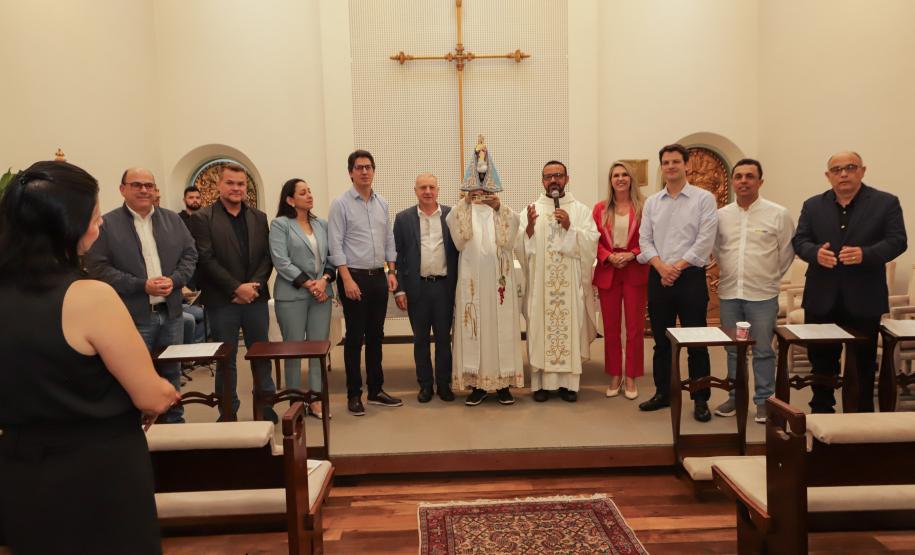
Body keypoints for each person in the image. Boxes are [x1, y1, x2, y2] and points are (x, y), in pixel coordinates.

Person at [0, 161, 179, 554]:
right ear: (70, 226)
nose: (98, 228)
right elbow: (150, 396)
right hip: (97, 472)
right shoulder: (89, 296)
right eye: (95, 219)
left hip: (22, 471)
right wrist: (163, 393)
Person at [792, 151, 907, 413]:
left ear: (862, 171)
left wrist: (866, 254)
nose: (843, 174)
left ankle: (859, 420)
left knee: (863, 365)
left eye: (850, 167)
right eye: (836, 169)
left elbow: (897, 240)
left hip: (864, 298)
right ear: (828, 175)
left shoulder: (885, 203)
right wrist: (815, 253)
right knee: (821, 362)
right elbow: (800, 241)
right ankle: (822, 413)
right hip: (821, 297)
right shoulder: (812, 205)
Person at [85, 167, 197, 424]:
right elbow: (98, 267)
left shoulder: (173, 220)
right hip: (132, 317)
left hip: (171, 315)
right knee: (134, 377)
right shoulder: (108, 224)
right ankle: (136, 432)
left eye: (149, 185)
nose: (144, 190)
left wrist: (176, 279)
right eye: (136, 185)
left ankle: (175, 428)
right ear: (122, 189)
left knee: (171, 374)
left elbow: (190, 254)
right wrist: (140, 285)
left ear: (156, 190)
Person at [188, 163, 277, 422]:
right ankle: (228, 409)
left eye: (241, 184)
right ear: (219, 185)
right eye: (231, 183)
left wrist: (254, 286)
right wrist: (236, 288)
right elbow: (205, 258)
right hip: (221, 299)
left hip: (255, 298)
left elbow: (266, 257)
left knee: (261, 353)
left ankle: (265, 404)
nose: (236, 188)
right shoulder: (203, 218)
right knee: (226, 357)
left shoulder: (259, 217)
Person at [638, 144, 718, 422]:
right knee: (661, 342)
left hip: (691, 278)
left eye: (675, 161)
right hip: (659, 277)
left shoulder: (703, 199)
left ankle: (700, 398)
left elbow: (705, 240)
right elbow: (644, 240)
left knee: (697, 341)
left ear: (687, 165)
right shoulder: (652, 202)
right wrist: (660, 266)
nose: (670, 166)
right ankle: (663, 393)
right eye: (666, 162)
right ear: (661, 167)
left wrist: (678, 267)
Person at [713, 159, 795, 423]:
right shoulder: (721, 215)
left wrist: (768, 277)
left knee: (762, 350)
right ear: (733, 181)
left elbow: (786, 253)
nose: (743, 181)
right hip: (729, 295)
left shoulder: (777, 214)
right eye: (738, 176)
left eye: (750, 176)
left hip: (762, 296)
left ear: (760, 181)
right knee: (733, 350)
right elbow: (715, 250)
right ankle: (735, 398)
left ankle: (763, 400)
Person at [446, 141, 524, 405]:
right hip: (472, 283)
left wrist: (499, 207)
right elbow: (458, 239)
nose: (480, 186)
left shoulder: (503, 210)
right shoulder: (461, 211)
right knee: (475, 328)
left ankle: (503, 385)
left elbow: (512, 236)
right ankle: (477, 385)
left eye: (484, 179)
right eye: (476, 180)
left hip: (499, 284)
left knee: (500, 329)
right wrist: (465, 202)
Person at [517, 160, 599, 403]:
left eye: (558, 176)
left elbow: (591, 242)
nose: (553, 180)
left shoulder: (580, 210)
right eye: (548, 176)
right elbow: (520, 245)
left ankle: (569, 385)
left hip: (569, 286)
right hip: (542, 285)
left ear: (567, 178)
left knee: (569, 328)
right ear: (542, 180)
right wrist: (530, 228)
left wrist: (570, 227)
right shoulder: (531, 209)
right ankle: (540, 384)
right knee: (540, 328)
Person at [327, 150, 402, 415]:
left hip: (378, 277)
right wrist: (345, 279)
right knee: (354, 338)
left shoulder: (382, 202)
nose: (364, 172)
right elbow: (335, 244)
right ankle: (353, 394)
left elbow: (388, 239)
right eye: (359, 168)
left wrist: (391, 271)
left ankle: (376, 390)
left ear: (374, 171)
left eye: (368, 167)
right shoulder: (341, 204)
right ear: (350, 172)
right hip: (354, 277)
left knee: (376, 336)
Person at [269, 178, 335, 418]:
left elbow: (331, 257)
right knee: (294, 348)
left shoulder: (322, 224)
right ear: (290, 199)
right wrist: (309, 283)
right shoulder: (280, 224)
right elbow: (281, 260)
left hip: (321, 294)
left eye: (310, 190)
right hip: (292, 295)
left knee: (319, 348)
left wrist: (324, 281)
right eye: (303, 192)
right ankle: (296, 401)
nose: (309, 195)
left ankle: (316, 399)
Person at [393, 173, 459, 403]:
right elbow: (397, 258)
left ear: (438, 190)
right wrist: (399, 289)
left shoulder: (452, 215)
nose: (427, 191)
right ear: (415, 190)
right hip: (416, 289)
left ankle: (444, 384)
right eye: (423, 187)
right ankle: (425, 386)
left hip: (443, 288)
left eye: (431, 187)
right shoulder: (403, 219)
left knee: (443, 339)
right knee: (420, 339)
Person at [592, 161, 649, 400]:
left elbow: (649, 237)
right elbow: (593, 240)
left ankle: (632, 375)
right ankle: (615, 373)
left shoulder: (644, 207)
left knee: (635, 328)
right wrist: (608, 256)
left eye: (625, 174)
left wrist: (633, 253)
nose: (620, 178)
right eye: (616, 175)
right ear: (610, 181)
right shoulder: (600, 208)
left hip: (634, 269)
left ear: (631, 179)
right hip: (609, 271)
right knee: (611, 327)